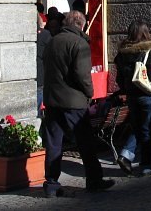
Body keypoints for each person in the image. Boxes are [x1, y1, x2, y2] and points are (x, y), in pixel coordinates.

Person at [42, 10, 114, 196]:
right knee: (86, 142)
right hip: (73, 102)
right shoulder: (79, 43)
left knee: (53, 143)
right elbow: (83, 75)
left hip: (52, 100)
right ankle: (94, 180)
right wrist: (90, 93)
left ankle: (51, 184)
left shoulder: (52, 41)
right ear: (81, 25)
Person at [114, 21, 151, 176]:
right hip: (146, 95)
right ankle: (146, 164)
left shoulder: (122, 53)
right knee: (146, 129)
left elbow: (119, 78)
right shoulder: (148, 50)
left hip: (131, 96)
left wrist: (127, 89)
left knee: (137, 127)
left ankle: (127, 155)